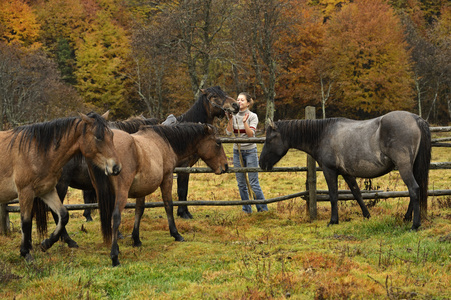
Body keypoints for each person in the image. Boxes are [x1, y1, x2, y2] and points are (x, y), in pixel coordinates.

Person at [226, 92, 268, 213]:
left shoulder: (252, 116)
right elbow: (228, 133)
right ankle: (246, 209)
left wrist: (245, 122)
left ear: (248, 103)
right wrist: (229, 119)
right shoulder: (233, 116)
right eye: (238, 100)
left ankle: (262, 209)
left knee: (253, 182)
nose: (239, 102)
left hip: (250, 151)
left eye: (242, 100)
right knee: (241, 183)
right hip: (237, 152)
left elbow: (251, 135)